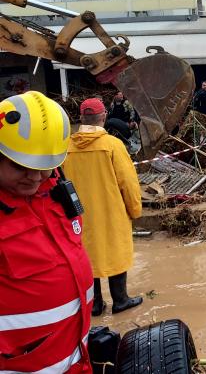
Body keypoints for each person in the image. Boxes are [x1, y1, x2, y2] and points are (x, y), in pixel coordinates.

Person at [0, 91, 94, 372]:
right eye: (21, 166)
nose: (35, 176)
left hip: (74, 358)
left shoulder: (53, 192)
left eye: (45, 166)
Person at [64, 97, 143, 316]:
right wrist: (135, 209)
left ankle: (95, 304)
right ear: (104, 117)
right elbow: (128, 182)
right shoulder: (112, 145)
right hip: (110, 211)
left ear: (81, 118)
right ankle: (121, 300)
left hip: (78, 215)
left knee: (89, 255)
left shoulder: (66, 147)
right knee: (115, 251)